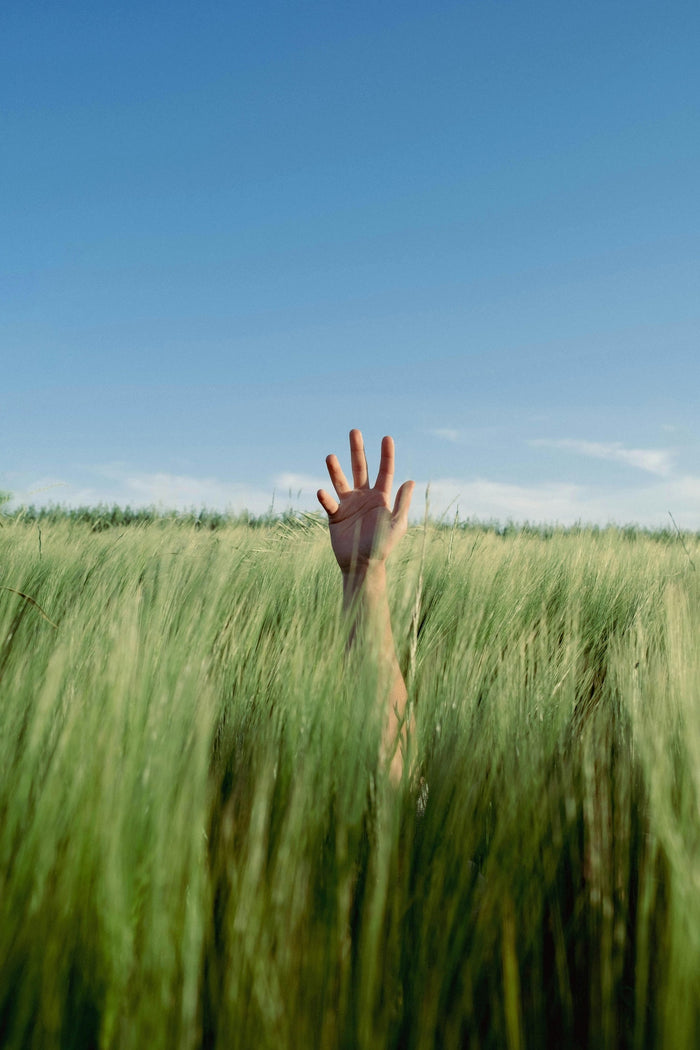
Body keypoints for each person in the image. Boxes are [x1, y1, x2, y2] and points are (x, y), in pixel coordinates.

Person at [317, 429, 415, 784]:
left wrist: (367, 570)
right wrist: (360, 573)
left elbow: (395, 783)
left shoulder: (413, 817)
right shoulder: (413, 812)